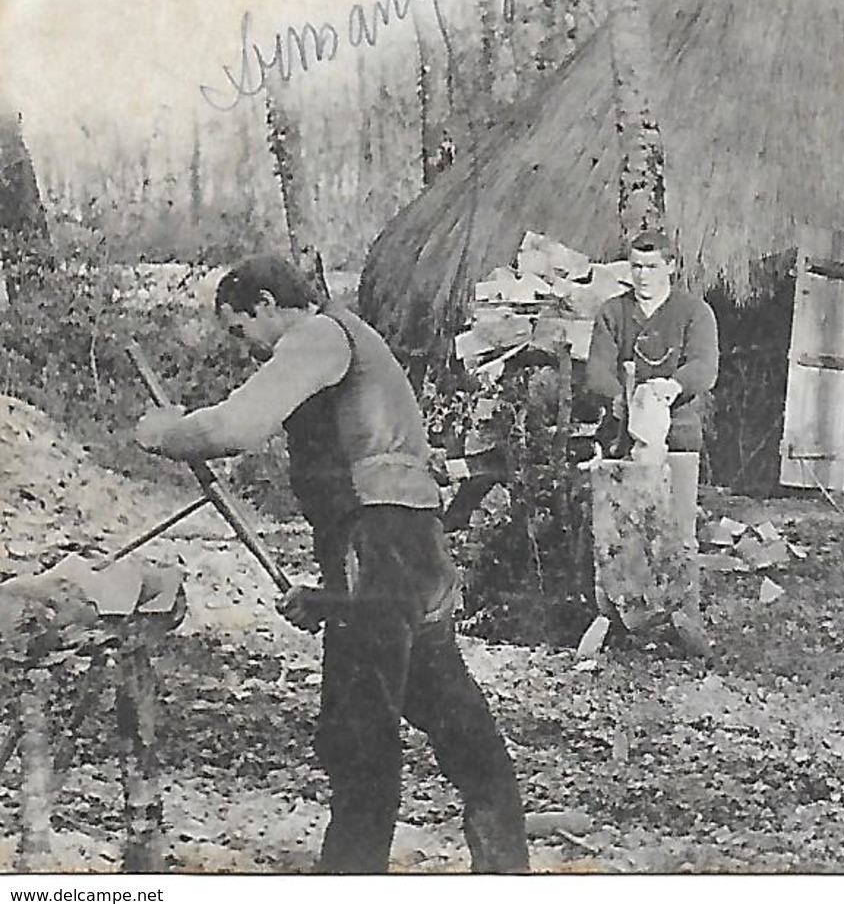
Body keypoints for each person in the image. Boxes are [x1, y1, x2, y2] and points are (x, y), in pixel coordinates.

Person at [134, 255, 528, 874]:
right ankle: (506, 865)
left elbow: (237, 426)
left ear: (267, 305)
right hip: (407, 550)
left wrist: (164, 431)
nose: (248, 352)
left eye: (242, 331)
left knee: (360, 735)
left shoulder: (316, 334)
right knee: (452, 712)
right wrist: (329, 599)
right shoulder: (350, 341)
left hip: (382, 547)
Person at [584, 229, 719, 621]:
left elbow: (704, 367)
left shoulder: (694, 312)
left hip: (677, 436)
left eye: (652, 267)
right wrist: (627, 403)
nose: (642, 275)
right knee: (622, 533)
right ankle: (625, 619)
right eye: (636, 267)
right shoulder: (612, 312)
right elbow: (596, 373)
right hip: (622, 440)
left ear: (671, 267)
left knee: (680, 533)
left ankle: (685, 617)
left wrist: (671, 386)